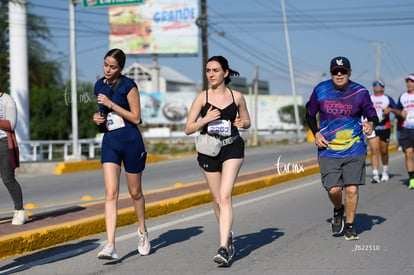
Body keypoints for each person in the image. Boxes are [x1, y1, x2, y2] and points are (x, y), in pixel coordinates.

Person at [184, 56, 251, 265]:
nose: (211, 74)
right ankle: (228, 234)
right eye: (208, 71)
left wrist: (243, 122)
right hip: (208, 150)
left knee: (224, 196)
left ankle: (223, 248)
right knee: (216, 200)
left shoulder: (237, 96)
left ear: (225, 73)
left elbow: (247, 121)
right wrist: (205, 120)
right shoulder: (202, 98)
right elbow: (188, 128)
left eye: (215, 70)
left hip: (232, 147)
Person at [305, 56, 378, 241]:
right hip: (328, 148)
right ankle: (338, 209)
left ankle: (351, 226)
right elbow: (309, 114)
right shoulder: (321, 90)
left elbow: (372, 114)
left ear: (349, 72)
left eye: (343, 71)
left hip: (354, 148)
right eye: (335, 72)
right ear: (331, 73)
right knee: (334, 190)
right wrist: (317, 133)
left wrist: (371, 124)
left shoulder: (360, 92)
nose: (339, 74)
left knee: (352, 189)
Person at [92, 48, 150, 260]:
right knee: (110, 194)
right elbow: (103, 115)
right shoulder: (98, 85)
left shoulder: (129, 86)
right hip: (110, 142)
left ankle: (143, 231)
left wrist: (112, 104)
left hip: (131, 142)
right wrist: (97, 119)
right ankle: (110, 245)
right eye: (105, 65)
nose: (108, 69)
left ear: (121, 68)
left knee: (135, 193)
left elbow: (136, 118)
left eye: (113, 66)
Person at [0, 91, 28, 225]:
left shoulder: (7, 100)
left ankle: (20, 211)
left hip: (4, 143)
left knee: (8, 178)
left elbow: (11, 124)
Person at [367, 80, 398, 183]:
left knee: (384, 151)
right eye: (374, 85)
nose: (376, 86)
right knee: (374, 150)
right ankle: (375, 174)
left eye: (378, 85)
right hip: (373, 126)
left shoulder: (387, 99)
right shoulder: (369, 98)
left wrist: (391, 110)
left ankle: (385, 171)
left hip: (385, 126)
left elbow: (397, 110)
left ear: (383, 88)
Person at [395, 74, 414, 189]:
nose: (409, 83)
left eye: (411, 81)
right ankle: (412, 179)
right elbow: (397, 110)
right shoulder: (403, 97)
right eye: (407, 81)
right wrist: (400, 113)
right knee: (408, 154)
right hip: (406, 129)